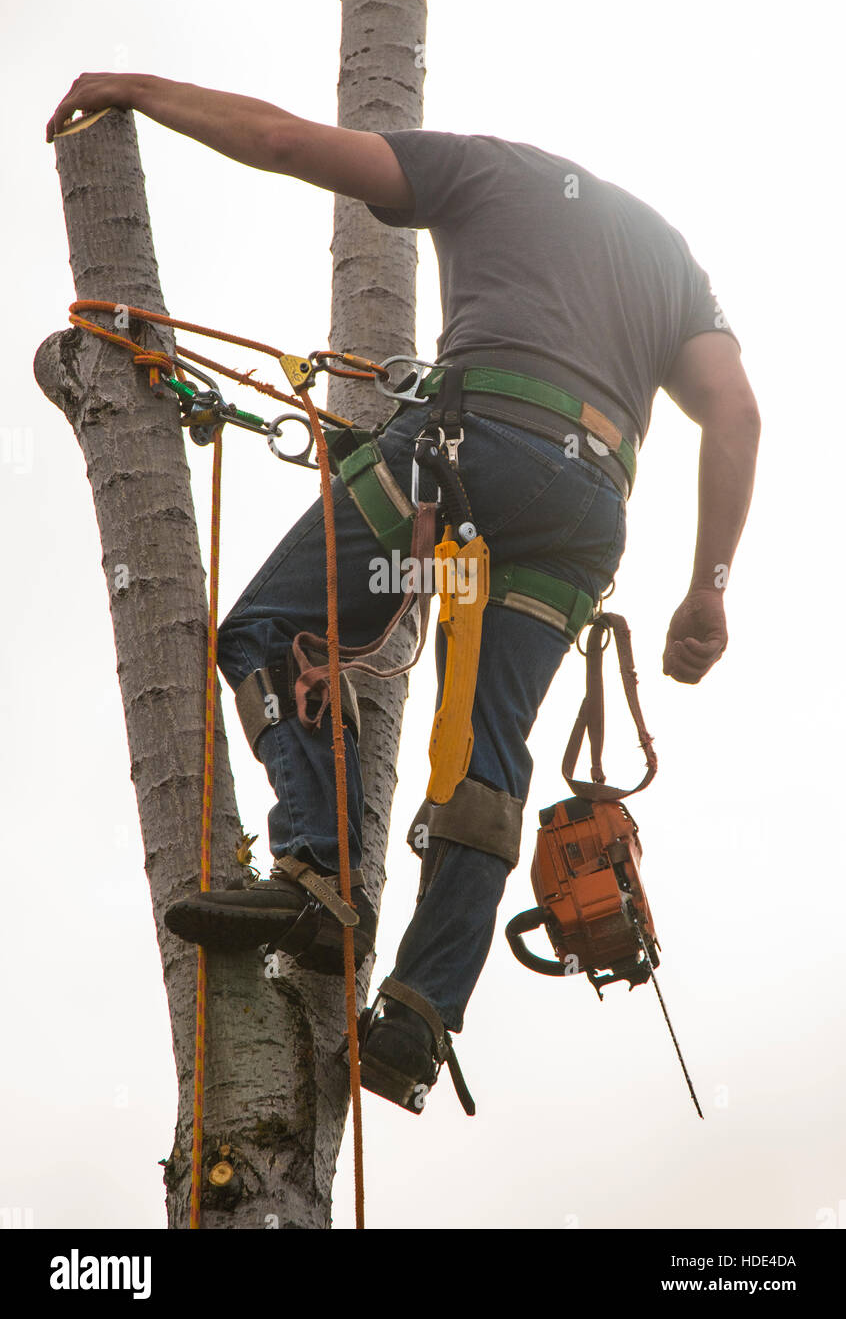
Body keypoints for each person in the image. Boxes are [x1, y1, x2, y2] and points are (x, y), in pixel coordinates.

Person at [47, 75, 761, 1112]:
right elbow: (735, 414)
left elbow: (283, 142)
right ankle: (420, 1016)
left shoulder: (477, 167)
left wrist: (139, 91)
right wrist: (711, 587)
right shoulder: (667, 255)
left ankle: (319, 874)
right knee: (486, 749)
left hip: (470, 454)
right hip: (583, 515)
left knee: (267, 625)